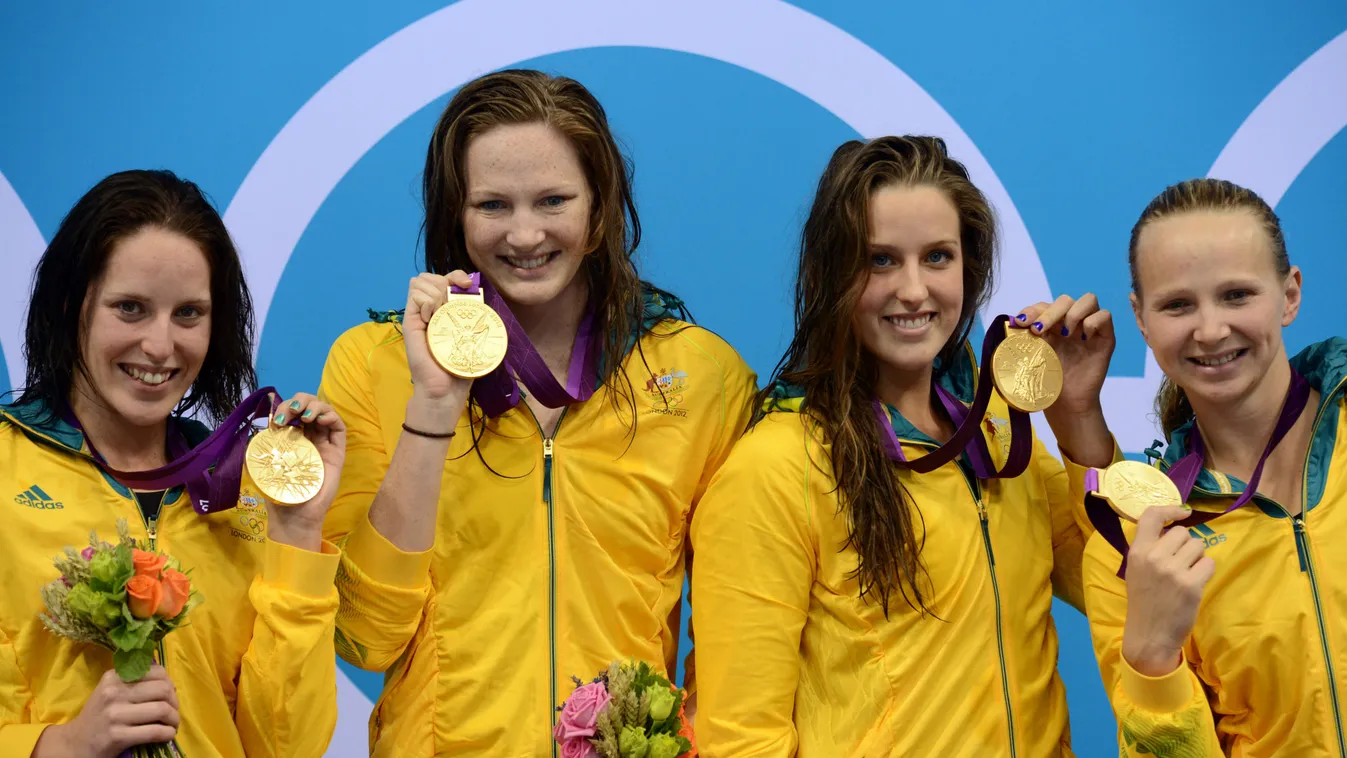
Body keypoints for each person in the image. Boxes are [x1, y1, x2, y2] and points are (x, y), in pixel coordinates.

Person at [319, 69, 756, 756]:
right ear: (454, 216)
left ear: (600, 209)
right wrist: (432, 407)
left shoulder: (703, 378)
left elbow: (741, 642)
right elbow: (365, 636)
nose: (524, 235)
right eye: (492, 205)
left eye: (553, 200)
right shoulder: (373, 365)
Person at [690, 136, 1117, 756]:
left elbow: (1124, 584)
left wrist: (1078, 418)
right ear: (831, 273)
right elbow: (739, 737)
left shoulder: (997, 429)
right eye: (881, 260)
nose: (914, 290)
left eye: (938, 257)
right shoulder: (776, 468)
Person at [0, 169, 345, 757]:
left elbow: (287, 746)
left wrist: (297, 531)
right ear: (69, 304)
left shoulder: (239, 496)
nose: (161, 347)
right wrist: (56, 747)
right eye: (130, 308)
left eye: (188, 314)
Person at [1075, 178, 1347, 756]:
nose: (1210, 329)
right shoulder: (1130, 548)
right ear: (1141, 320)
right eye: (1177, 304)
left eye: (1237, 295)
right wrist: (1151, 660)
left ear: (1290, 293)